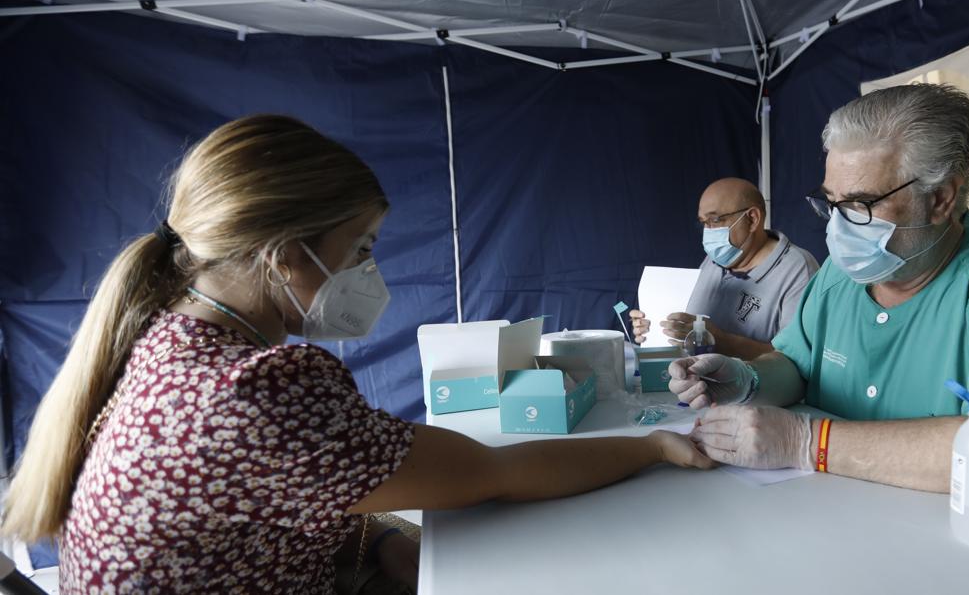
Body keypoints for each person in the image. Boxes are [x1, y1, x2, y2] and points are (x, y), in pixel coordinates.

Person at [0, 115, 712, 594]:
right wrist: (652, 446)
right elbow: (495, 473)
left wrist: (369, 544)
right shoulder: (256, 386)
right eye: (361, 249)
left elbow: (258, 499)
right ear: (284, 257)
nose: (371, 272)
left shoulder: (162, 337)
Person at [669, 84, 969, 513]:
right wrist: (747, 381)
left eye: (861, 204)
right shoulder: (839, 277)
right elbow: (796, 365)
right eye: (831, 203)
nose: (838, 228)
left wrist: (807, 443)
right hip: (857, 521)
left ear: (940, 198)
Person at [630, 178, 819, 358]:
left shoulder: (798, 270)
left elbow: (797, 358)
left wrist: (721, 342)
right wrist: (654, 327)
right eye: (704, 223)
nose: (708, 232)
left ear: (752, 219)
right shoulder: (716, 259)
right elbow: (691, 323)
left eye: (715, 220)